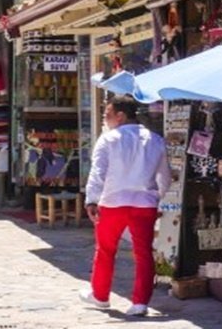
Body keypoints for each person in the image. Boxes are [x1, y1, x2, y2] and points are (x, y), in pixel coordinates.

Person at [79, 96, 171, 317]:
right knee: (143, 253)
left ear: (120, 116)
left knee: (105, 250)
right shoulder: (155, 140)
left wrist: (91, 198)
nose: (105, 118)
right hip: (144, 203)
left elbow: (98, 172)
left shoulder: (108, 140)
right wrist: (157, 196)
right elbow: (165, 176)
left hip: (113, 202)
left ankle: (100, 295)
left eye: (107, 114)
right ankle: (140, 302)